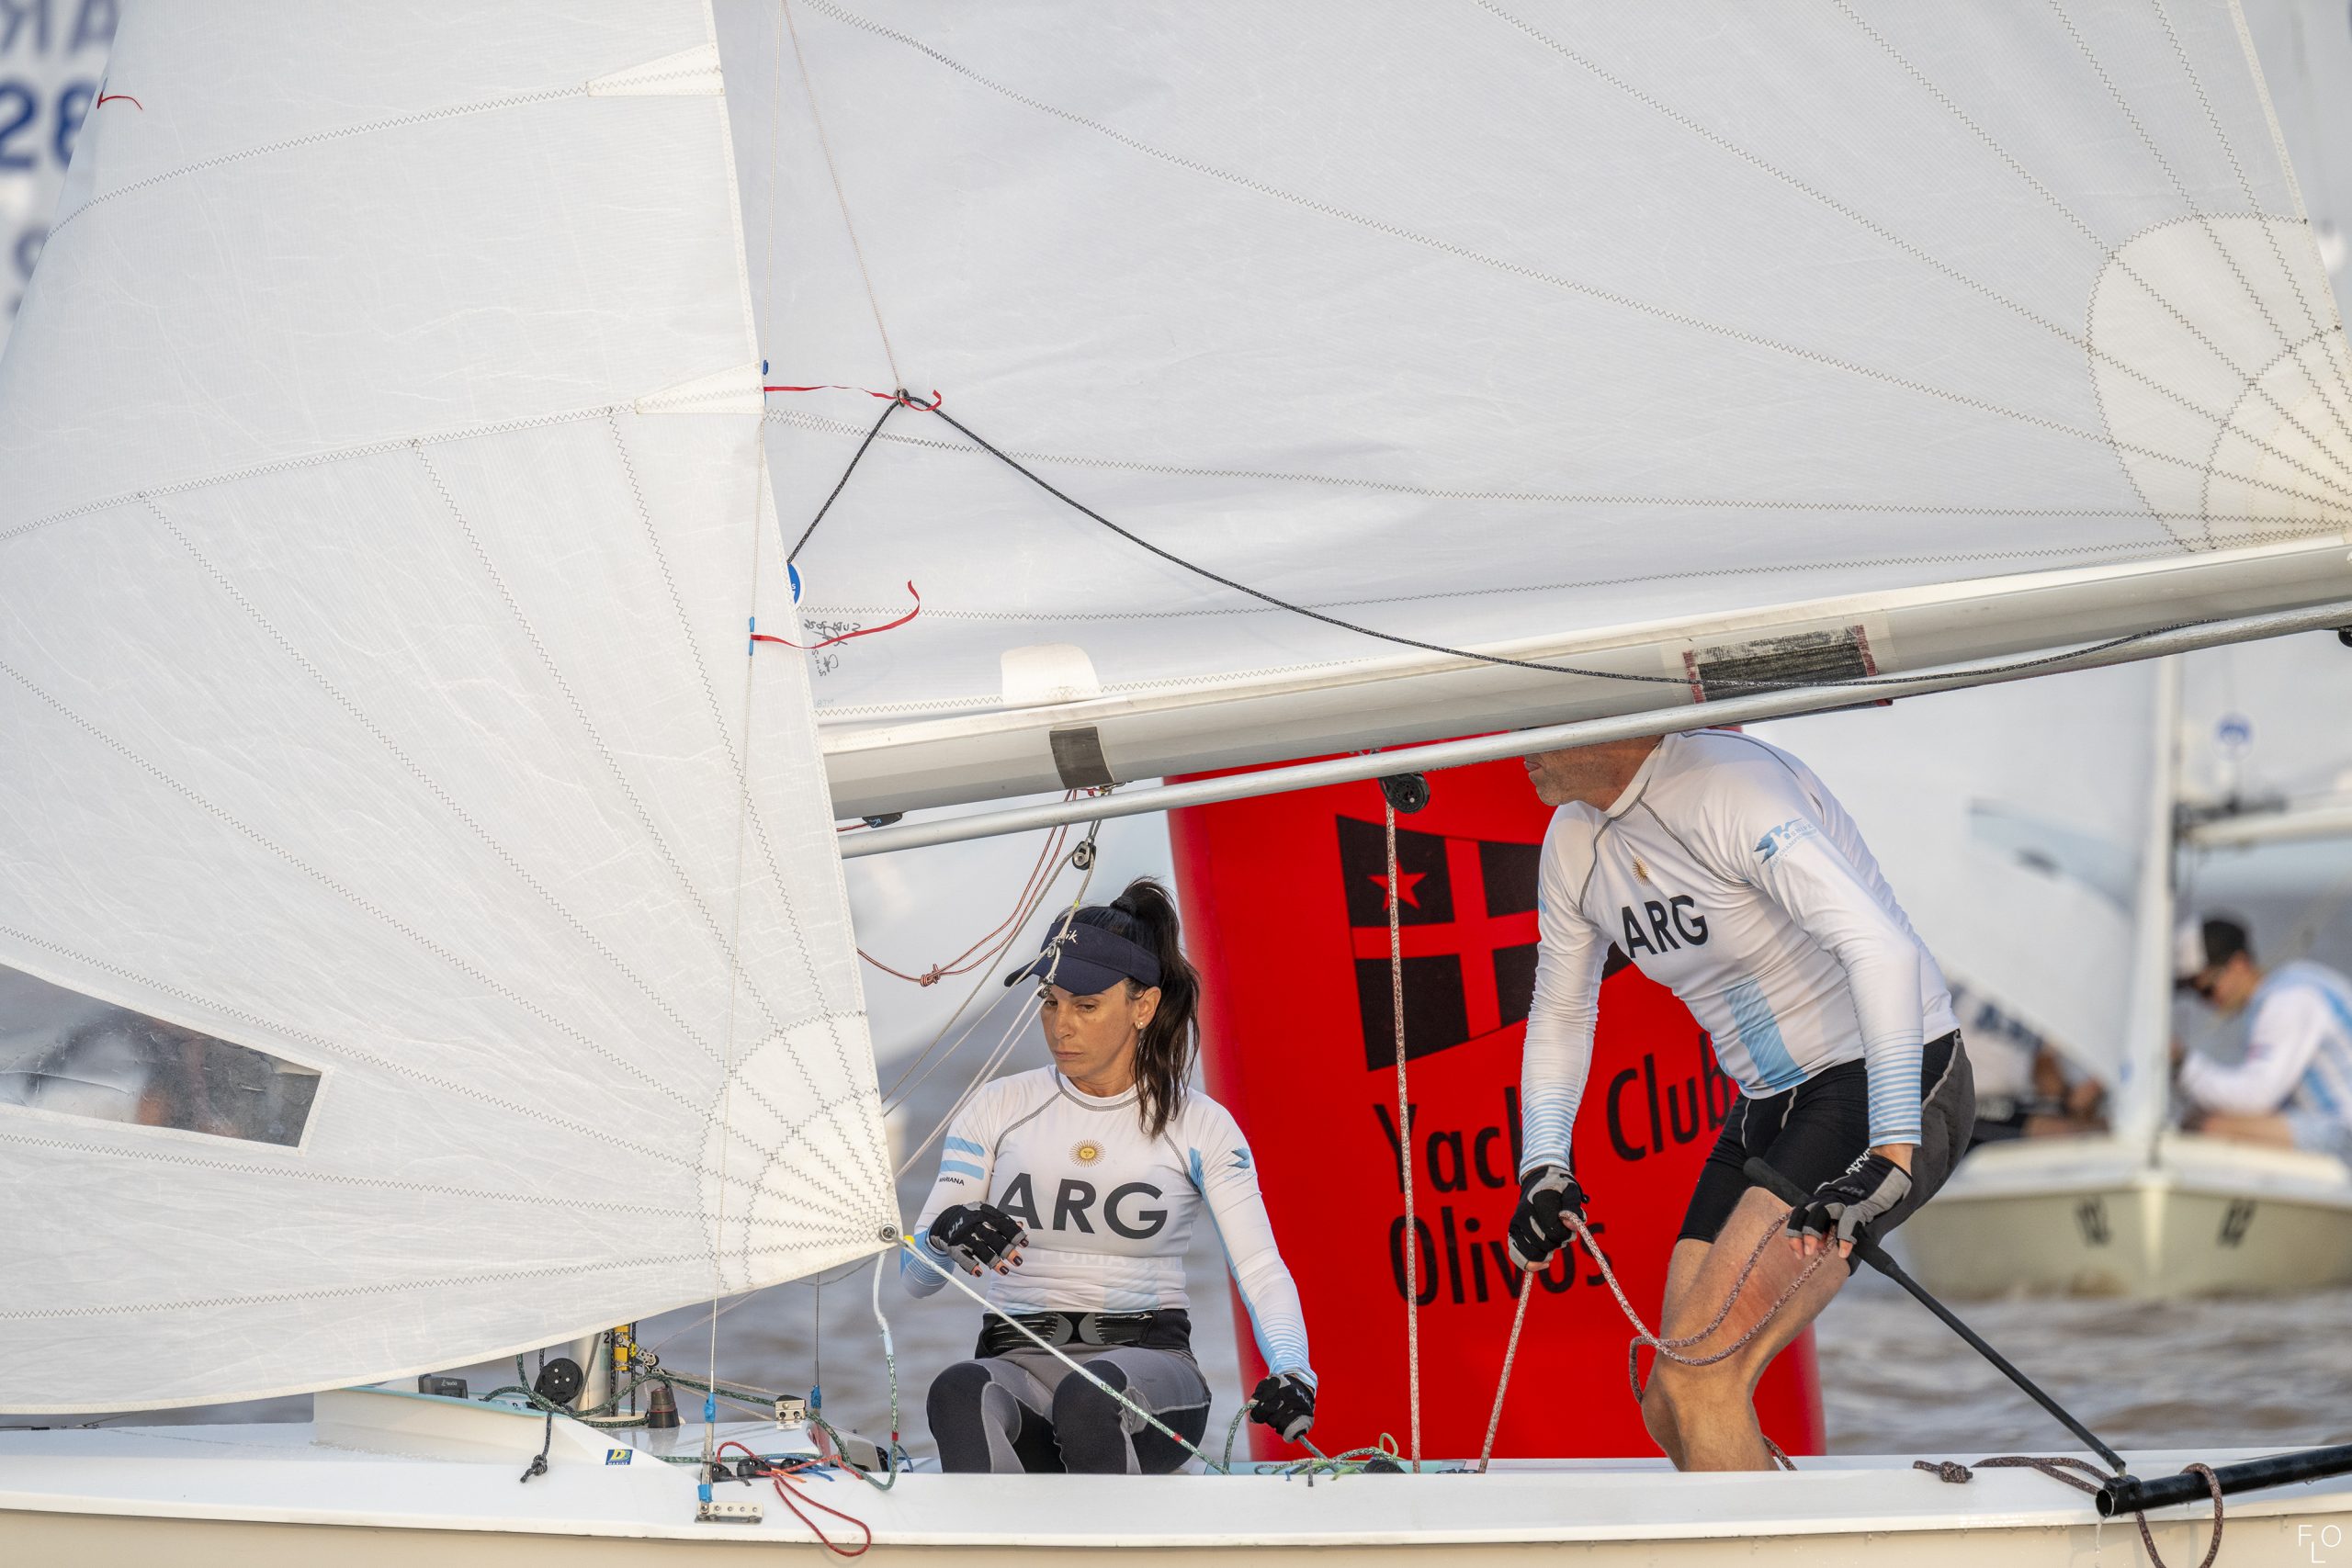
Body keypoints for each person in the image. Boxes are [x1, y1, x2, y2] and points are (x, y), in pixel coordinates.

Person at [1506, 729, 1974, 1472]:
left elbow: (1883, 948)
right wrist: (1543, 1161)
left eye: (1536, 724)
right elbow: (1562, 1011)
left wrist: (1889, 1153)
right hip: (1769, 1102)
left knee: (1702, 1376)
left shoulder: (1730, 786)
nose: (1516, 744)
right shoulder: (1572, 843)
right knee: (1669, 1400)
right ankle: (1777, 1518)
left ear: (1616, 725)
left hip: (1887, 1075)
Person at [903, 878, 1317, 1473]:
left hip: (1150, 1373)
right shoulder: (996, 1107)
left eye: (1086, 1005)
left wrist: (1294, 1371)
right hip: (1019, 1362)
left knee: (1090, 1397)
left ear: (1142, 1006)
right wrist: (946, 1231)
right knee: (956, 1391)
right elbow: (917, 1279)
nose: (1060, 1026)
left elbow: (1259, 1268)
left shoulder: (1198, 1123)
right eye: (1050, 1001)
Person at [2174, 916, 2352, 1165]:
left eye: (2207, 989)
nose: (2205, 1002)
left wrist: (2181, 1065)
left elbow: (2256, 1097)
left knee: (2211, 1127)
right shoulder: (2290, 984)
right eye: (2195, 993)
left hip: (2344, 1135)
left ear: (2239, 965)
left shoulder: (2287, 1001)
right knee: (2206, 1120)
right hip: (2334, 1128)